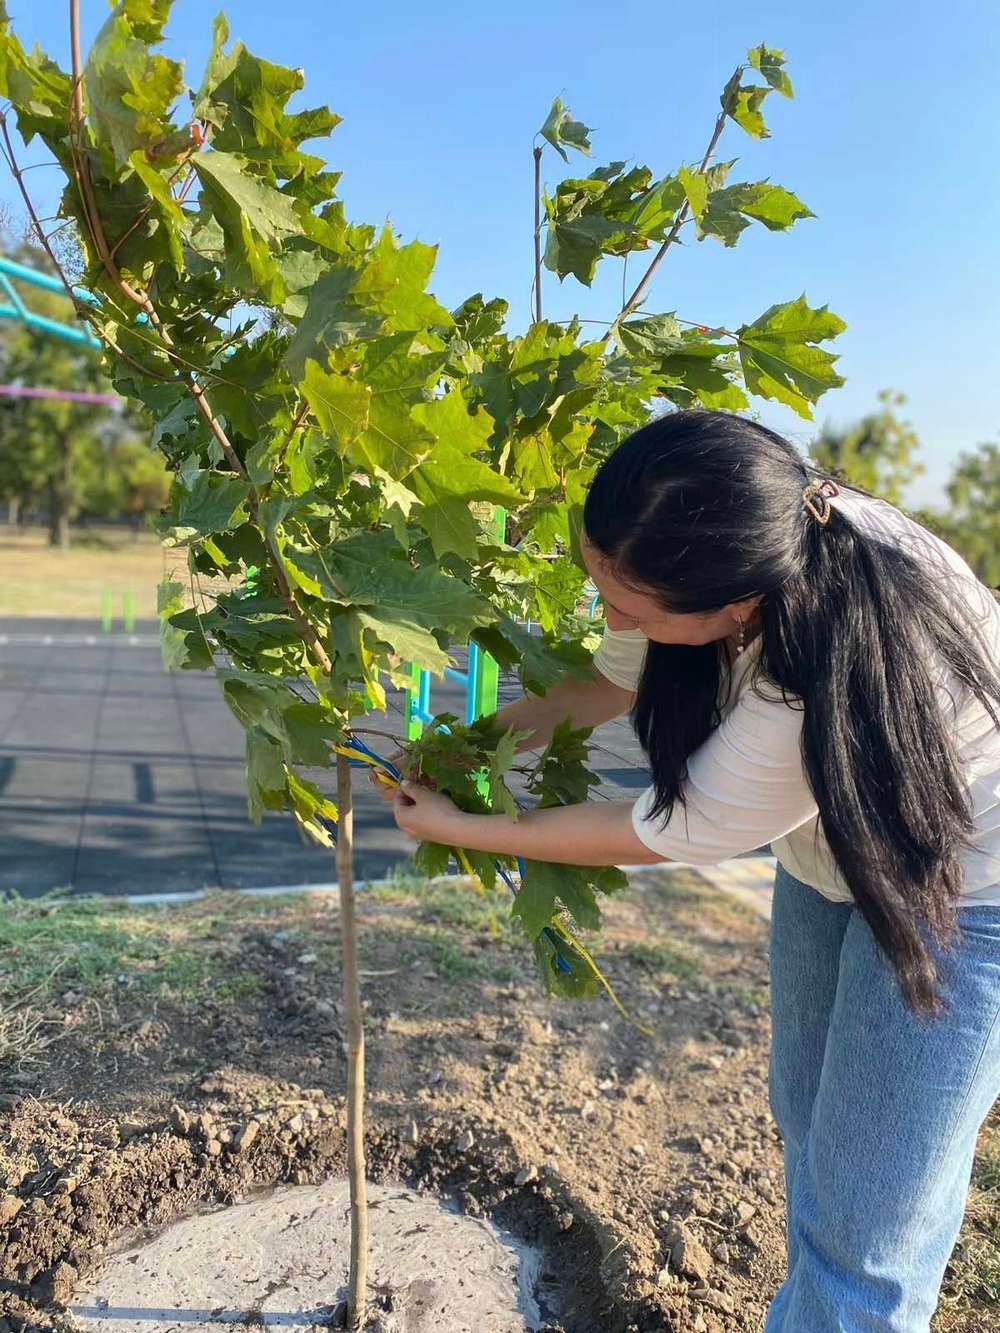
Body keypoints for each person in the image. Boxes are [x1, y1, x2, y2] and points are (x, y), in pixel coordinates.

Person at [377, 408, 1000, 1332]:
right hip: (836, 855)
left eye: (627, 607)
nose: (607, 614)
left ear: (732, 607)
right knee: (816, 1128)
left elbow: (670, 829)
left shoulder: (815, 654)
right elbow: (609, 681)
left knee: (864, 1241)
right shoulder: (727, 538)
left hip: (965, 890)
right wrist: (484, 739)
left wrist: (477, 830)